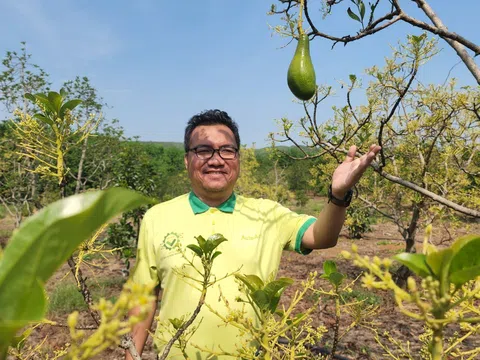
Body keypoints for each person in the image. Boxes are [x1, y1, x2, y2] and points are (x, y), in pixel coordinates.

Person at [126, 109, 381, 359]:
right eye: (203, 150)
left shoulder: (267, 214)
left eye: (226, 150)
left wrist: (338, 196)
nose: (216, 160)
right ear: (186, 160)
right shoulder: (157, 218)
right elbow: (144, 298)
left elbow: (321, 236)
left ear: (238, 159)